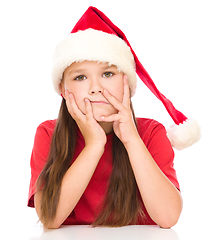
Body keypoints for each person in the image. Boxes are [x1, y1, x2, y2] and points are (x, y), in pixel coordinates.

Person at [27, 6, 201, 229]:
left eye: (108, 74)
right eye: (80, 77)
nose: (95, 88)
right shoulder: (48, 134)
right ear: (63, 89)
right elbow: (50, 219)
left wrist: (132, 141)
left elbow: (167, 218)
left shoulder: (150, 133)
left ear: (126, 81)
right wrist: (94, 144)